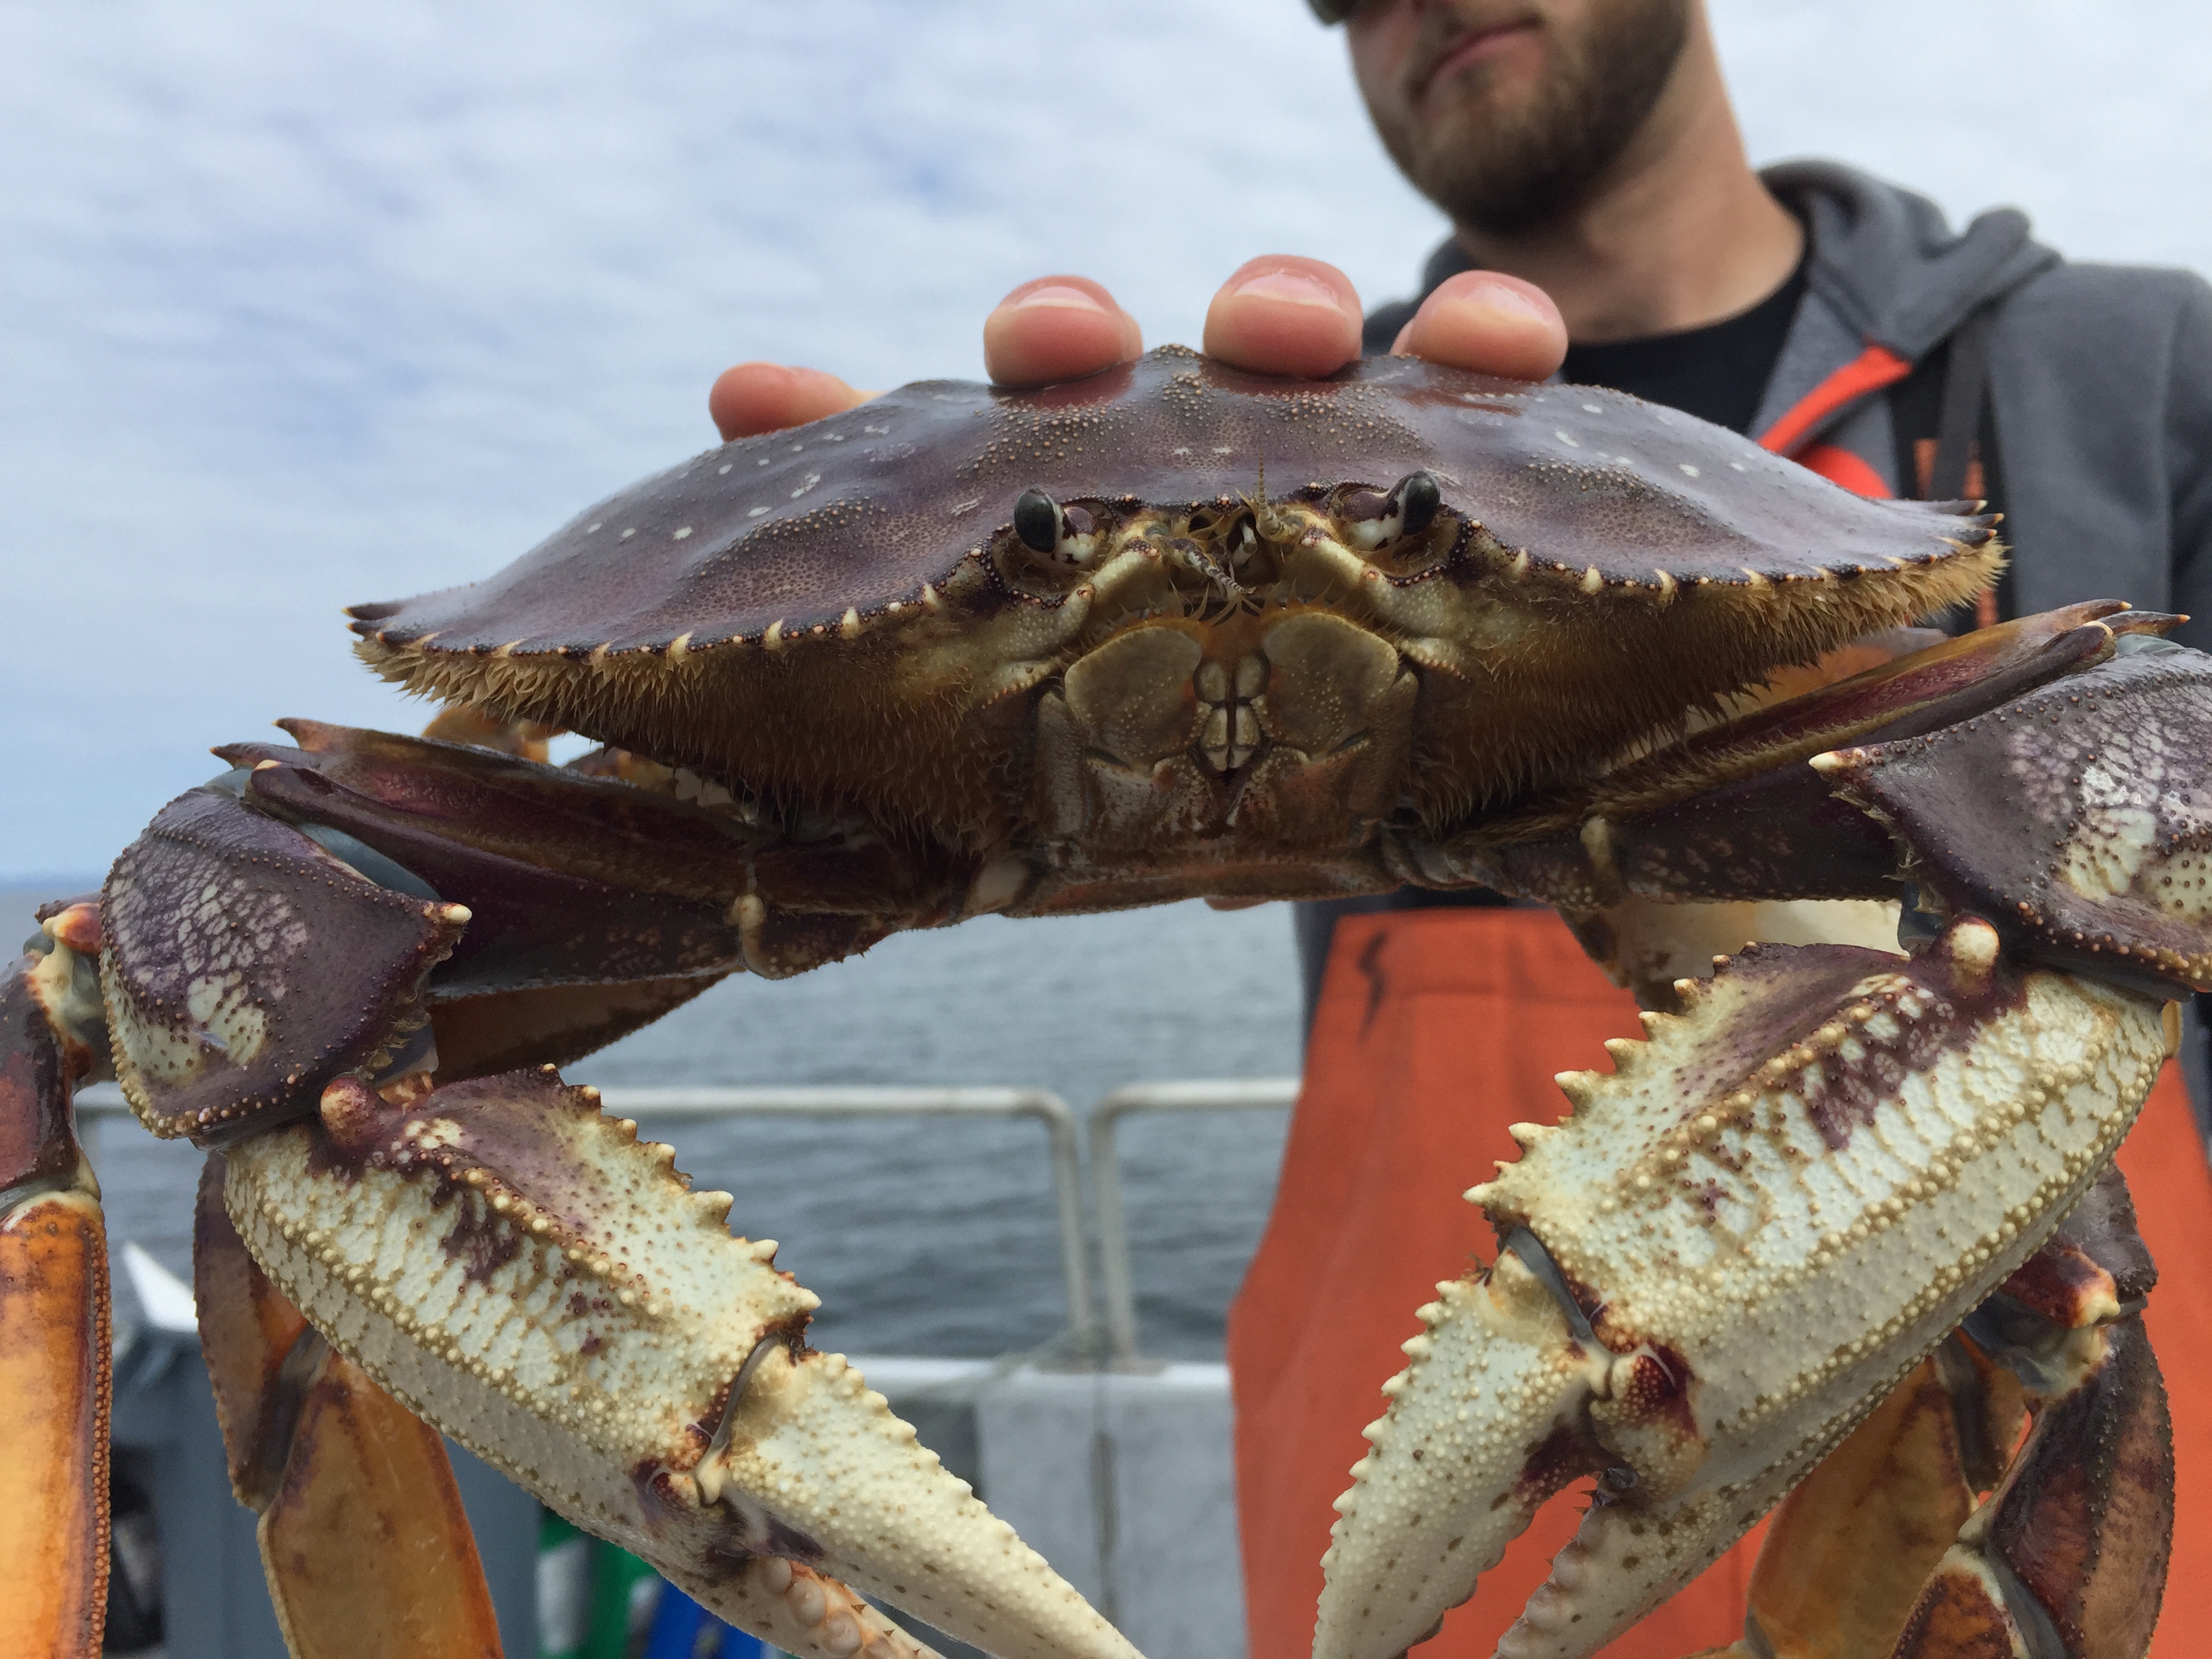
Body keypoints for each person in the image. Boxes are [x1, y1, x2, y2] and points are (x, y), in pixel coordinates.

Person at [708, 3, 2212, 1652]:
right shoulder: (1299, 390)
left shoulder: (2133, 378)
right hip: (1392, 1518)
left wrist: (1839, 770)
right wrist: (829, 686)